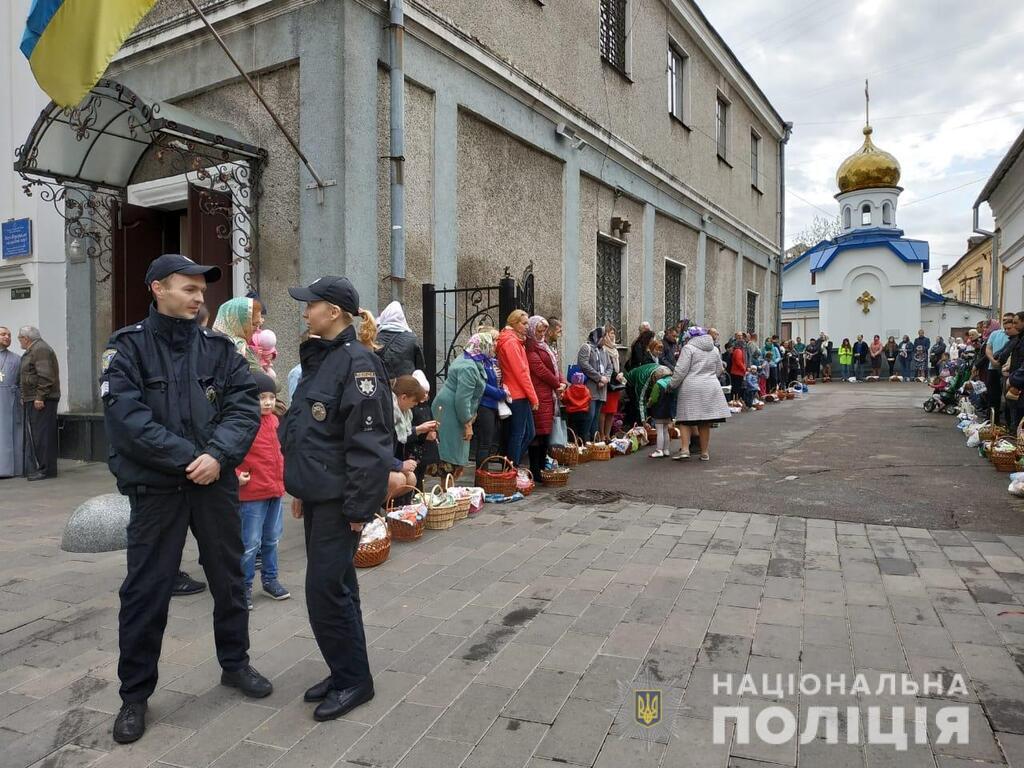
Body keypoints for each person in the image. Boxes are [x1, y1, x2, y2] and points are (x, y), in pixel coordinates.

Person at [101, 255, 269, 744]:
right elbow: (128, 422)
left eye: (202, 290)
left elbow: (244, 406)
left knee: (230, 578)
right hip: (157, 490)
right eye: (188, 288)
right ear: (157, 289)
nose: (199, 297)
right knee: (145, 592)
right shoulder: (127, 348)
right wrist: (191, 459)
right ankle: (135, 695)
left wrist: (216, 457)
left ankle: (235, 663)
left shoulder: (219, 349)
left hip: (213, 486)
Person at [280, 275, 393, 722]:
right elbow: (312, 433)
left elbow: (369, 443)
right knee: (338, 587)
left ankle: (353, 682)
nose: (304, 311)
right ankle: (345, 669)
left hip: (340, 502)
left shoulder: (358, 363)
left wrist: (358, 508)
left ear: (334, 312)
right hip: (320, 494)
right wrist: (304, 489)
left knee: (325, 591)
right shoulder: (322, 359)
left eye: (311, 304)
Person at [236, 371, 290, 609]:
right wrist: (236, 474)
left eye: (270, 397)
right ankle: (243, 586)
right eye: (261, 397)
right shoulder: (243, 423)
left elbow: (280, 452)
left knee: (272, 539)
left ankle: (270, 579)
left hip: (274, 490)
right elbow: (231, 452)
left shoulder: (275, 421)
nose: (267, 402)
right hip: (252, 494)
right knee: (250, 543)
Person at [670, 327, 731, 461]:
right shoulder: (714, 349)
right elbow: (720, 369)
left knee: (685, 419)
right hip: (710, 386)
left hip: (691, 386)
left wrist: (672, 385)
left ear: (690, 337)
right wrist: (708, 378)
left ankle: (685, 449)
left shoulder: (689, 348)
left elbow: (681, 370)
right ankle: (704, 452)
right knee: (704, 421)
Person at [434, 333, 488, 475]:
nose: (494, 346)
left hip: (453, 409)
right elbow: (462, 399)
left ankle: (447, 489)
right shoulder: (469, 367)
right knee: (451, 456)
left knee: (453, 454)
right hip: (453, 411)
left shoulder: (470, 359)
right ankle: (447, 491)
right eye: (492, 343)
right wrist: (467, 423)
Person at [16, 326, 60, 480]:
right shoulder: (34, 349)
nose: (19, 341)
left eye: (19, 338)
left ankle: (46, 470)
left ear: (26, 338)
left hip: (43, 399)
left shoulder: (40, 349)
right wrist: (25, 395)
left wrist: (40, 397)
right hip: (34, 398)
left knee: (43, 436)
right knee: (37, 435)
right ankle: (41, 468)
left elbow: (46, 376)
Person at [496, 310, 538, 467]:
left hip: (517, 392)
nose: (527, 326)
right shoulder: (511, 343)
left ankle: (511, 466)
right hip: (517, 393)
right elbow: (521, 373)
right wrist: (533, 397)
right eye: (524, 323)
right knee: (519, 434)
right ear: (514, 323)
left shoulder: (513, 341)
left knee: (525, 433)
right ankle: (511, 468)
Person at [525, 316, 564, 481]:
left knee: (545, 434)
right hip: (539, 395)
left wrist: (562, 382)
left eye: (543, 331)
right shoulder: (531, 348)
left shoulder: (544, 346)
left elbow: (554, 367)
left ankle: (542, 467)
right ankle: (535, 469)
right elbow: (540, 370)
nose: (541, 334)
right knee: (538, 435)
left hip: (548, 395)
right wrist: (557, 384)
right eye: (538, 331)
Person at [386, 375, 428, 498]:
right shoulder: (387, 414)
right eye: (414, 401)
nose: (414, 405)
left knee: (410, 478)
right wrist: (399, 465)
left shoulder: (400, 413)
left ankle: (394, 510)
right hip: (374, 465)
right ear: (403, 397)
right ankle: (371, 512)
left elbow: (402, 435)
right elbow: (377, 450)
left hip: (386, 461)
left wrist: (419, 430)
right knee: (398, 480)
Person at [468, 332, 504, 468]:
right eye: (493, 340)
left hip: (493, 404)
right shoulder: (479, 361)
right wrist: (500, 393)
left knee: (489, 444)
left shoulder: (491, 360)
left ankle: (484, 478)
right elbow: (481, 385)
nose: (496, 344)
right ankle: (481, 480)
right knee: (484, 443)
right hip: (484, 405)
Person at [376, 301, 425, 380]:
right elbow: (420, 368)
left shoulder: (374, 338)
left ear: (384, 316)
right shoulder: (412, 339)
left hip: (382, 386)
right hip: (405, 387)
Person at [577, 327, 611, 440]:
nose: (606, 340)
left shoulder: (604, 351)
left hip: (602, 388)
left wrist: (606, 378)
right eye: (605, 337)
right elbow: (584, 365)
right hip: (590, 388)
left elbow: (609, 366)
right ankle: (584, 440)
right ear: (599, 337)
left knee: (596, 416)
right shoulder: (586, 347)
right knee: (589, 416)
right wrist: (599, 378)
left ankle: (594, 440)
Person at [212, 297, 262, 374]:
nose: (257, 329)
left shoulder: (210, 343)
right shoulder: (239, 347)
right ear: (236, 322)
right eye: (254, 324)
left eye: (259, 324)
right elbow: (263, 379)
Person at [0, 328, 23, 479]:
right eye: (3, 334)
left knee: (10, 433)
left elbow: (21, 380)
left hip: (11, 399)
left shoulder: (17, 358)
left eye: (9, 335)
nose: (7, 337)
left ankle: (10, 469)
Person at [986, 313, 1015, 425]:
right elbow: (988, 348)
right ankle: (992, 421)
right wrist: (993, 360)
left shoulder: (1014, 337)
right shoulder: (995, 333)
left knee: (1008, 397)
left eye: (1009, 320)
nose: (1006, 322)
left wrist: (1003, 364)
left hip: (1007, 370)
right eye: (1004, 320)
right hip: (992, 368)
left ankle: (1008, 424)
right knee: (992, 395)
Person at [599, 326, 625, 439]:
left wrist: (620, 374)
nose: (613, 335)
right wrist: (615, 375)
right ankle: (602, 435)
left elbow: (617, 366)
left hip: (616, 384)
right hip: (608, 384)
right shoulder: (603, 349)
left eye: (614, 333)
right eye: (611, 333)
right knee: (604, 411)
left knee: (612, 411)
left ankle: (608, 434)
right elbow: (605, 367)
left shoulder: (614, 350)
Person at [647, 366, 675, 457]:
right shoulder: (672, 381)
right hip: (669, 411)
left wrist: (648, 404)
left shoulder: (658, 384)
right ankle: (666, 450)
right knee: (666, 430)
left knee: (659, 431)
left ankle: (659, 450)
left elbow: (654, 398)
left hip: (659, 410)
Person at [563, 372, 592, 440]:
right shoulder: (586, 390)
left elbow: (564, 399)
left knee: (572, 431)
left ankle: (573, 446)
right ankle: (582, 445)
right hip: (584, 413)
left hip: (572, 414)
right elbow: (589, 399)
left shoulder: (569, 390)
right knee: (582, 432)